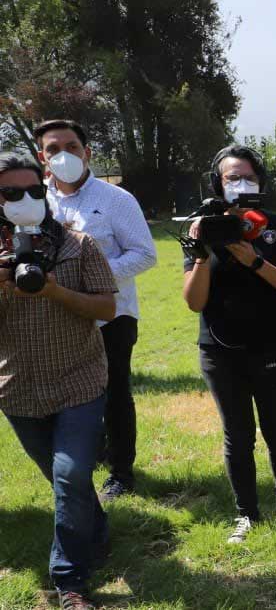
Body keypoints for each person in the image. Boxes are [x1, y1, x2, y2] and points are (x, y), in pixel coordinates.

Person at [0, 152, 117, 610]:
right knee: (66, 479)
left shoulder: (78, 245)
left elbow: (106, 308)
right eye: (11, 193)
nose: (25, 199)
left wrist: (54, 290)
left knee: (69, 476)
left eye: (33, 191)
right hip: (18, 387)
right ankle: (99, 531)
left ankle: (68, 582)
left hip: (80, 380)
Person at [181, 144, 276, 544]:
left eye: (248, 176)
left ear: (261, 181)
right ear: (217, 185)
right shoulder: (202, 227)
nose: (240, 184)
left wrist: (254, 259)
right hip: (219, 350)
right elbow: (193, 302)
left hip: (273, 345)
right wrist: (202, 255)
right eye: (231, 178)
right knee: (237, 434)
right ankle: (246, 514)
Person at [36, 119, 158, 502]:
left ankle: (122, 472)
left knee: (113, 393)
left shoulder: (115, 200)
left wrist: (94, 279)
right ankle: (90, 460)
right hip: (58, 315)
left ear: (87, 152)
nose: (63, 155)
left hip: (111, 315)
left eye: (71, 147)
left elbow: (144, 254)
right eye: (53, 149)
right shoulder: (37, 201)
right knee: (71, 393)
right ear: (43, 158)